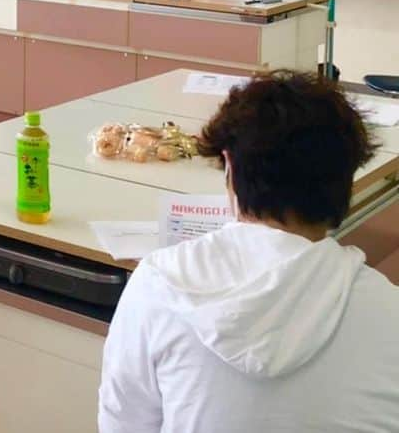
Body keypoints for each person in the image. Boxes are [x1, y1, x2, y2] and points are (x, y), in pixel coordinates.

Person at [98, 75, 399, 433]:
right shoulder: (387, 308)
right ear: (345, 181)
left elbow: (122, 425)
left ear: (231, 168)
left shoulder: (160, 283)